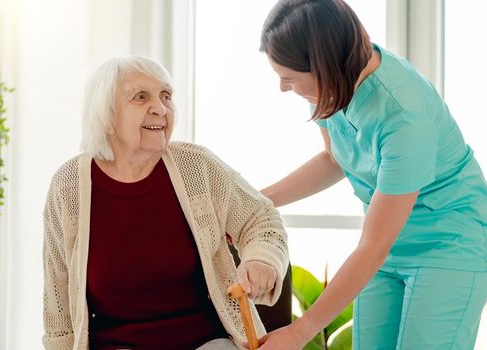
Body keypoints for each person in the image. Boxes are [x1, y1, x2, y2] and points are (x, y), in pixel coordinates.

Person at [255, 0, 487, 349]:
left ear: (323, 65)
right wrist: (257, 201)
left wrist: (299, 333)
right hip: (386, 245)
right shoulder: (330, 88)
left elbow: (373, 246)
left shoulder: (404, 115)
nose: (283, 88)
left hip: (449, 244)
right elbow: (334, 159)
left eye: (288, 78)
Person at [42, 56, 289, 350]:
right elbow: (58, 295)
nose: (160, 108)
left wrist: (262, 258)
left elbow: (261, 219)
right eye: (140, 97)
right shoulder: (68, 186)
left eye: (166, 96)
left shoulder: (196, 165)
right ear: (106, 117)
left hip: (204, 341)